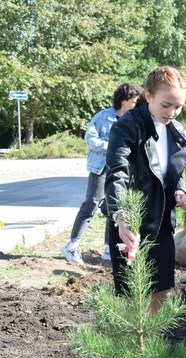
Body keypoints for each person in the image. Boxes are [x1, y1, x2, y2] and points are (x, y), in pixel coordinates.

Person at [105, 66, 186, 313]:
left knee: (162, 288)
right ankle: (129, 349)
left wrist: (180, 191)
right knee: (131, 295)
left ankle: (151, 343)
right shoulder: (128, 126)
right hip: (131, 222)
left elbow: (174, 171)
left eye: (178, 107)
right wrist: (122, 217)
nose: (172, 113)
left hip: (163, 222)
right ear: (149, 96)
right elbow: (117, 173)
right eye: (166, 105)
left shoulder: (176, 130)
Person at [60, 83, 141, 265]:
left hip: (121, 171)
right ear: (123, 100)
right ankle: (71, 246)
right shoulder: (103, 117)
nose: (137, 105)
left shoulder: (134, 120)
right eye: (135, 102)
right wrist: (114, 148)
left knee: (114, 207)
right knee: (91, 205)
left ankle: (107, 248)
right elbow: (91, 139)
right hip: (101, 168)